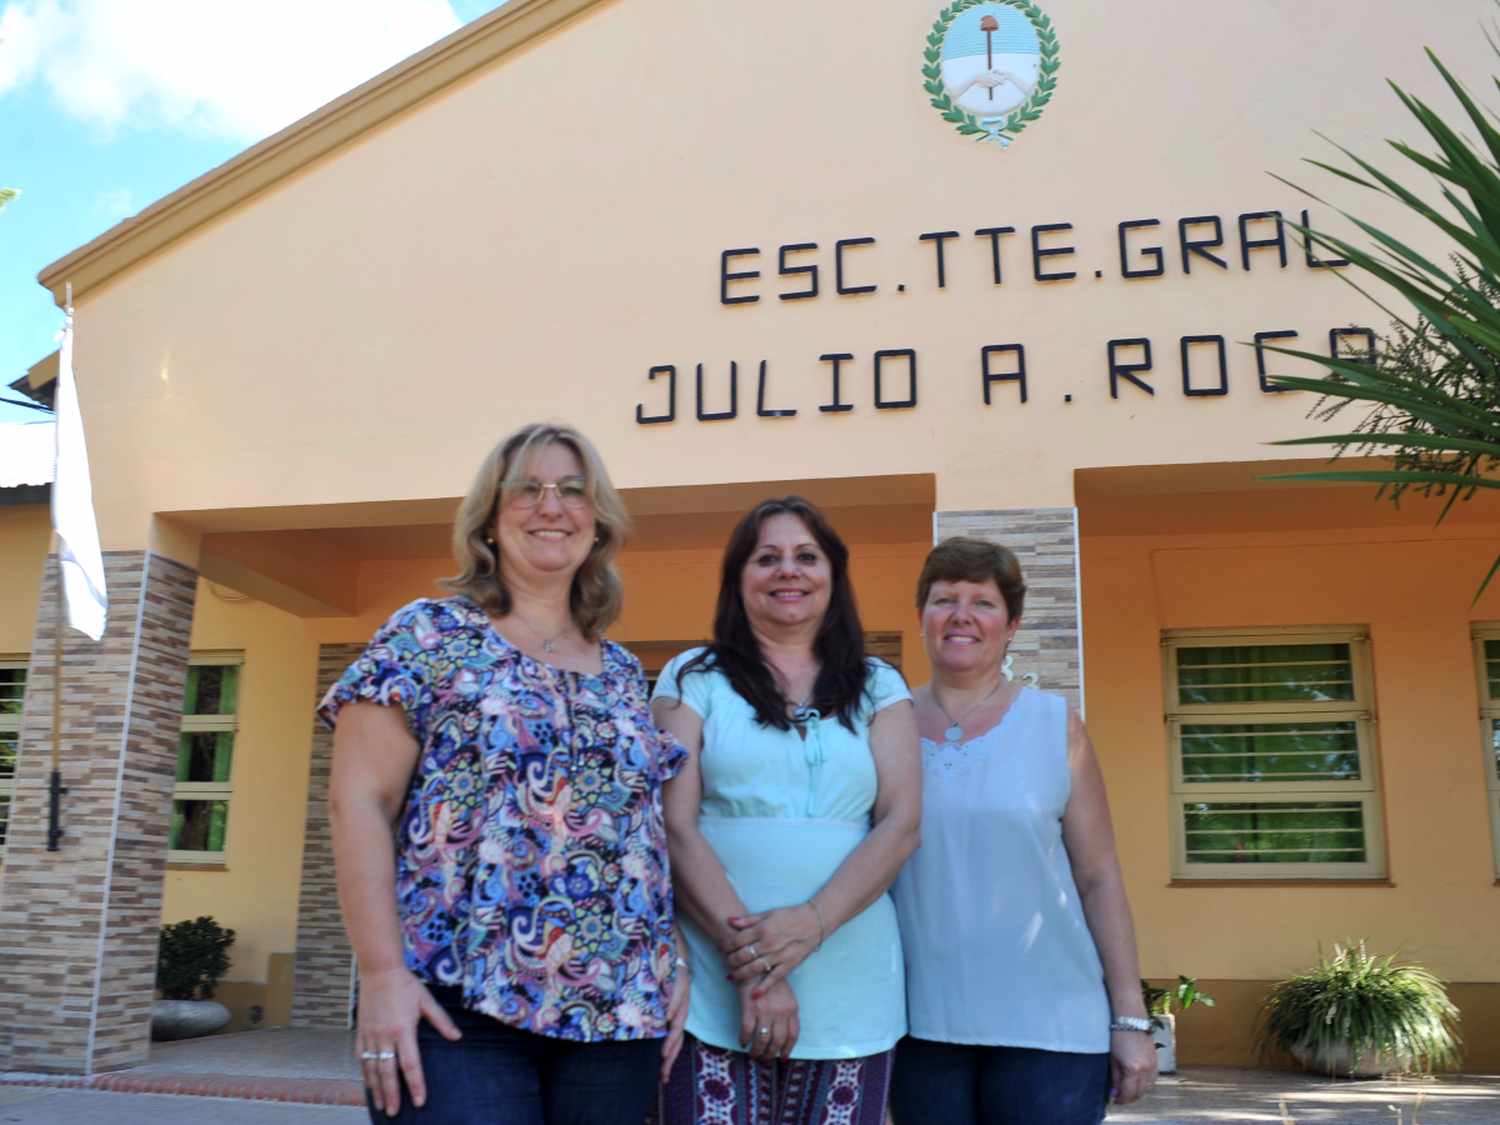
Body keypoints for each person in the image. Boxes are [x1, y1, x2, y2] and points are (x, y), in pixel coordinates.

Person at [320, 422, 690, 1124]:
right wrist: (380, 972)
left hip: (616, 1012)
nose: (552, 506)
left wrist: (672, 958)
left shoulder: (619, 670)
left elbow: (641, 836)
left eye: (573, 491)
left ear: (598, 522)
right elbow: (358, 802)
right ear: (489, 519)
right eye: (528, 488)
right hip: (459, 1003)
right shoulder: (427, 634)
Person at [650, 496, 922, 1125]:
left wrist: (812, 922)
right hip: (717, 984)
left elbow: (902, 823)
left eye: (807, 556)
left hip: (852, 983)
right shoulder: (692, 678)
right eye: (766, 557)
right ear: (738, 578)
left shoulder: (880, 684)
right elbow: (671, 825)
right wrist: (756, 970)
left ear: (834, 574)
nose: (788, 571)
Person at [889, 537, 1157, 1125]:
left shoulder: (1054, 725)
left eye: (982, 602)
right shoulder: (884, 725)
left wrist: (1130, 1020)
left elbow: (1100, 879)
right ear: (921, 618)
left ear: (1011, 625)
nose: (961, 616)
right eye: (944, 599)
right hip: (915, 1027)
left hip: (1052, 1031)